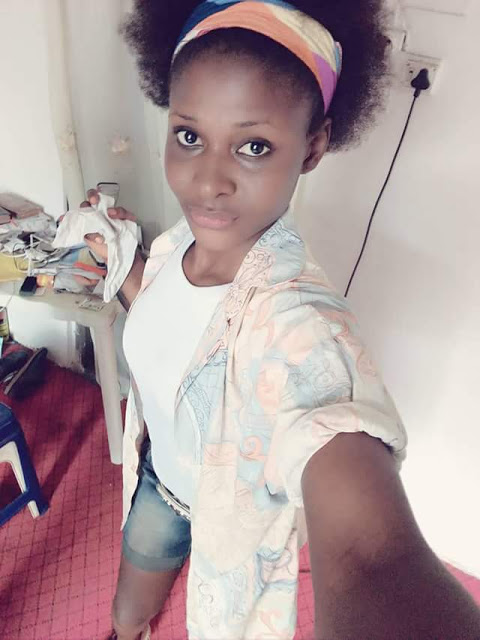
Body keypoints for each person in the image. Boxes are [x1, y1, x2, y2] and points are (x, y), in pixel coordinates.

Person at [80, 1, 480, 639]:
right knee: (127, 613)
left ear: (313, 146)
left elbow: (372, 557)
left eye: (254, 146)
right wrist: (120, 265)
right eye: (189, 136)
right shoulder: (176, 245)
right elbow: (176, 330)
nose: (208, 182)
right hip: (158, 483)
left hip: (231, 531)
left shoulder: (299, 325)